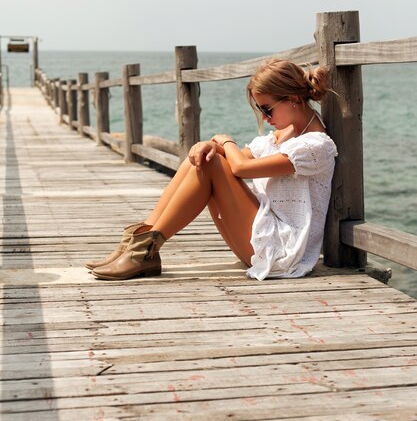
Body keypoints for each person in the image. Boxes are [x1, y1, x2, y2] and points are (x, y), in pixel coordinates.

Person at [86, 59, 337, 281]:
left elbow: (241, 168)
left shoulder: (315, 146)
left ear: (293, 98)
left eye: (266, 108)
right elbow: (235, 159)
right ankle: (137, 244)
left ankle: (144, 252)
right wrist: (210, 145)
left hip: (281, 253)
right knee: (203, 157)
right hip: (261, 239)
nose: (264, 118)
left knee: (213, 161)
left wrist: (223, 140)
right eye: (260, 110)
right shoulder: (282, 136)